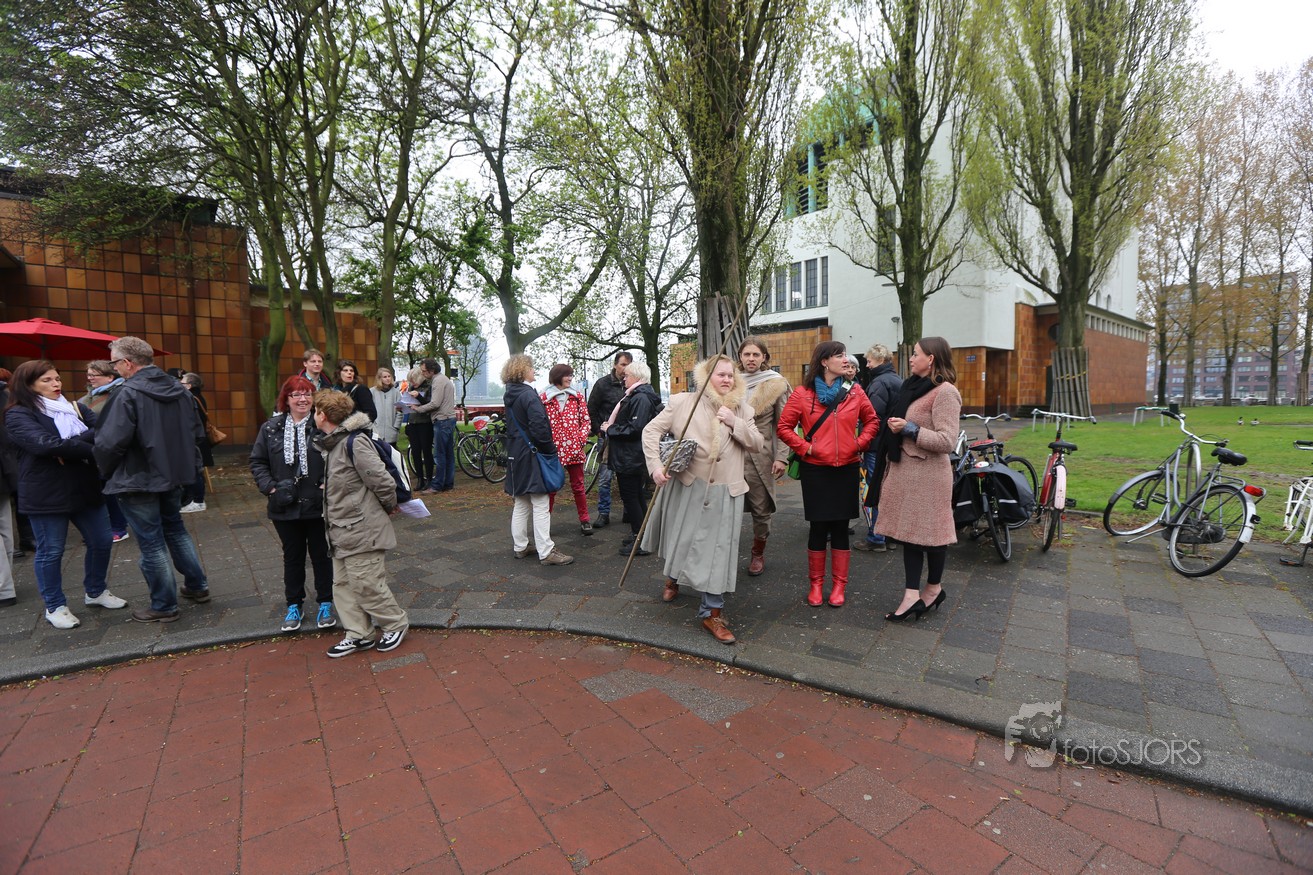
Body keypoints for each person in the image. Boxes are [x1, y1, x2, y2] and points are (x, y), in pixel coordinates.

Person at [642, 355, 763, 644]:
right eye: (720, 374)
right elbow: (651, 431)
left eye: (730, 375)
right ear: (706, 377)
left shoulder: (743, 408)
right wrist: (656, 466)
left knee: (718, 553)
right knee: (683, 541)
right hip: (689, 485)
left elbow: (757, 444)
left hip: (726, 491)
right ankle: (673, 577)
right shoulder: (682, 402)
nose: (727, 379)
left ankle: (712, 613)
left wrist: (734, 422)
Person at [94, 336, 212, 623]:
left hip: (137, 478)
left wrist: (105, 471)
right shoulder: (180, 390)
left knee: (151, 543)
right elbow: (197, 433)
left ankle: (164, 604)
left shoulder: (127, 394)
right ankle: (197, 586)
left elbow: (110, 443)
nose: (114, 368)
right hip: (173, 476)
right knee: (175, 530)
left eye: (114, 362)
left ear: (127, 363)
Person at [5, 360, 127, 628]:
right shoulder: (18, 414)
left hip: (84, 486)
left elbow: (104, 430)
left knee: (102, 541)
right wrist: (88, 446)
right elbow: (45, 445)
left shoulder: (75, 407)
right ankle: (55, 606)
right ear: (28, 385)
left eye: (57, 378)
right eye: (47, 380)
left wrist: (67, 446)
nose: (56, 384)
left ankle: (96, 591)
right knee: (51, 551)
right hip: (46, 492)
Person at [777, 340, 879, 608]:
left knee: (841, 527)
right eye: (839, 355)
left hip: (846, 467)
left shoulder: (855, 391)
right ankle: (816, 585)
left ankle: (839, 586)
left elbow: (872, 421)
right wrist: (806, 448)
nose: (845, 359)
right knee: (818, 527)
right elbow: (784, 427)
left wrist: (858, 444)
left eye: (845, 355)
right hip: (815, 470)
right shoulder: (802, 394)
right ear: (824, 361)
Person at [869, 336, 963, 622]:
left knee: (933, 536)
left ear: (931, 359)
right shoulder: (911, 386)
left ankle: (932, 589)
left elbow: (947, 441)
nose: (910, 358)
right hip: (907, 473)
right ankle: (912, 594)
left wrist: (909, 429)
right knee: (910, 535)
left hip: (929, 476)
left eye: (916, 353)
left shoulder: (945, 392)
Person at [312, 390, 409, 657]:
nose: (313, 415)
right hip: (340, 530)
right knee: (343, 586)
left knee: (367, 584)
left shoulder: (353, 443)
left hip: (361, 529)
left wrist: (388, 506)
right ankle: (358, 633)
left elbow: (382, 481)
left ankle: (395, 624)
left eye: (315, 411)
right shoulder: (333, 444)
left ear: (323, 415)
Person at [250, 376, 336, 633]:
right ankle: (294, 604)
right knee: (293, 557)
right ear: (286, 399)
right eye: (296, 394)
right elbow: (258, 461)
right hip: (284, 505)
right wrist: (270, 487)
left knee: (322, 556)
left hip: (317, 505)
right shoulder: (270, 428)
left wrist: (328, 482)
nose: (302, 399)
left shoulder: (322, 425)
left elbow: (340, 457)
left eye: (307, 394)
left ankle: (325, 603)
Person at [502, 355, 573, 566]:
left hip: (516, 453)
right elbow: (539, 427)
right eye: (531, 367)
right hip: (532, 454)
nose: (534, 371)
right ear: (523, 370)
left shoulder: (510, 394)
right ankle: (546, 551)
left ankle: (520, 546)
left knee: (521, 501)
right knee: (541, 502)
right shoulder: (528, 395)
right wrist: (550, 450)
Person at [736, 336, 791, 576]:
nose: (751, 359)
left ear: (764, 357)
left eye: (756, 354)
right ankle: (722, 551)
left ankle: (757, 552)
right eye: (747, 354)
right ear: (740, 356)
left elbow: (784, 424)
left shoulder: (775, 384)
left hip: (759, 455)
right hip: (729, 453)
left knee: (761, 508)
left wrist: (781, 457)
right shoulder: (729, 380)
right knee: (724, 505)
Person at [602, 360, 662, 556]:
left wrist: (610, 429)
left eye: (627, 375)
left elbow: (636, 428)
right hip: (630, 455)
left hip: (630, 456)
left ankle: (640, 539)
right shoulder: (638, 396)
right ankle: (642, 534)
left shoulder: (640, 398)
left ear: (637, 376)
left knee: (631, 497)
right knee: (635, 495)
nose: (624, 378)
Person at [855, 343, 903, 553]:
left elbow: (871, 417)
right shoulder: (898, 380)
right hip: (893, 443)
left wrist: (862, 443)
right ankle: (891, 535)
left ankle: (876, 537)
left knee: (875, 489)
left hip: (876, 445)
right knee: (890, 490)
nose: (867, 365)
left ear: (880, 360)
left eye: (869, 361)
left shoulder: (879, 383)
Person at [541, 363, 593, 536]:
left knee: (578, 486)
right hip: (553, 451)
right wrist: (546, 443)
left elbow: (586, 421)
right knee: (551, 488)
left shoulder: (577, 397)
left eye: (571, 375)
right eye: (567, 375)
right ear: (557, 377)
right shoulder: (544, 399)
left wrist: (580, 439)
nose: (570, 378)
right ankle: (544, 524)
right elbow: (539, 424)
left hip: (574, 450)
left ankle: (585, 520)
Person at [83, 360, 130, 541]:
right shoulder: (88, 396)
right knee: (100, 489)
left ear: (110, 377)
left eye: (94, 375)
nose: (90, 378)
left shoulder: (119, 394)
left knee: (112, 491)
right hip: (92, 449)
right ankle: (105, 527)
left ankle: (118, 526)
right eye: (88, 374)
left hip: (110, 450)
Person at [587, 351, 632, 527]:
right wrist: (598, 429)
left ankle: (629, 511)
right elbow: (591, 408)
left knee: (627, 476)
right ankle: (603, 513)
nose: (625, 368)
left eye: (628, 365)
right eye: (623, 364)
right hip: (607, 438)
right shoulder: (602, 384)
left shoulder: (632, 384)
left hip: (626, 437)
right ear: (615, 365)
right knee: (605, 477)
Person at [411, 358, 456, 493]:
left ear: (432, 370)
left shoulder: (438, 381)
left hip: (442, 420)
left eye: (424, 371)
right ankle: (448, 483)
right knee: (448, 454)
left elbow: (435, 403)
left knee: (439, 455)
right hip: (448, 419)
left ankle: (437, 485)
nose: (423, 374)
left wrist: (418, 409)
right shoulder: (444, 379)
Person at [180, 372, 213, 513]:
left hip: (194, 440)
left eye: (182, 383)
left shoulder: (190, 398)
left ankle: (198, 501)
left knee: (194, 471)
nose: (179, 385)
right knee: (195, 470)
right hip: (198, 439)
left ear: (189, 385)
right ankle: (194, 499)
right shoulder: (197, 397)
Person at [404, 365, 435, 490]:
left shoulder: (429, 386)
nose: (412, 383)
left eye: (413, 380)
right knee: (415, 452)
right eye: (410, 381)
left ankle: (429, 478)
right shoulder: (411, 388)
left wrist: (419, 397)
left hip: (425, 423)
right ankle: (420, 479)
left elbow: (430, 405)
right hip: (413, 422)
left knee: (426, 452)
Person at [0, 374, 15, 606]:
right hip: (5, 470)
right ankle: (6, 585)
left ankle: (4, 589)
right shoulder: (4, 394)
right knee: (5, 529)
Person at [370, 367, 403, 449]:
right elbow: (369, 410)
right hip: (377, 430)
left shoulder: (396, 392)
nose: (387, 379)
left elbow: (400, 411)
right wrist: (373, 426)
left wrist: (396, 426)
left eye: (389, 376)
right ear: (379, 378)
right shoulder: (372, 392)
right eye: (385, 377)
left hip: (391, 430)